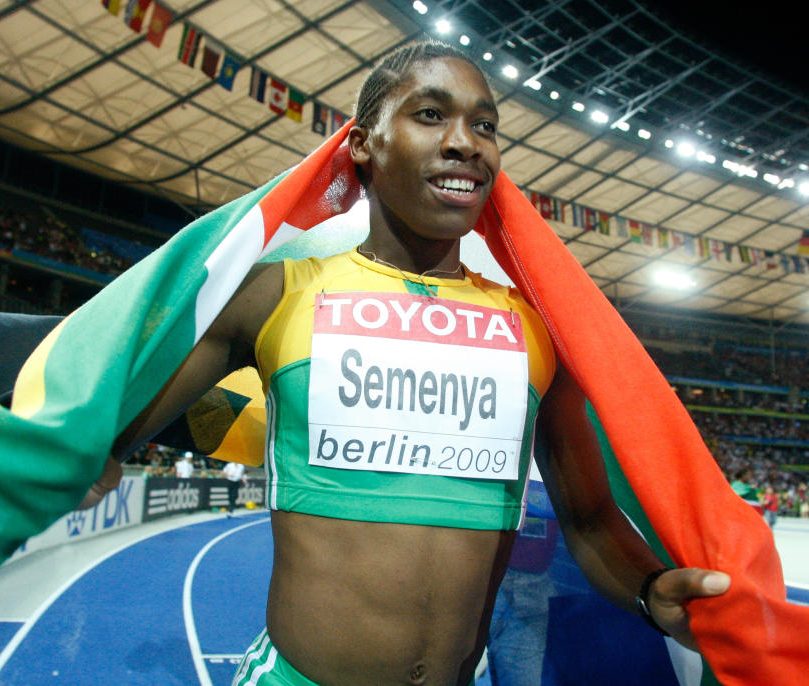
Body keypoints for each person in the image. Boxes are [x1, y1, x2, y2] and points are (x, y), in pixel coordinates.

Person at [91, 42, 732, 686]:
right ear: (364, 144)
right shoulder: (273, 296)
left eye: (484, 125)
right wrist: (78, 454)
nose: (466, 143)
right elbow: (99, 407)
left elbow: (590, 519)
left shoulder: (537, 329)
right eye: (430, 115)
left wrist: (650, 592)